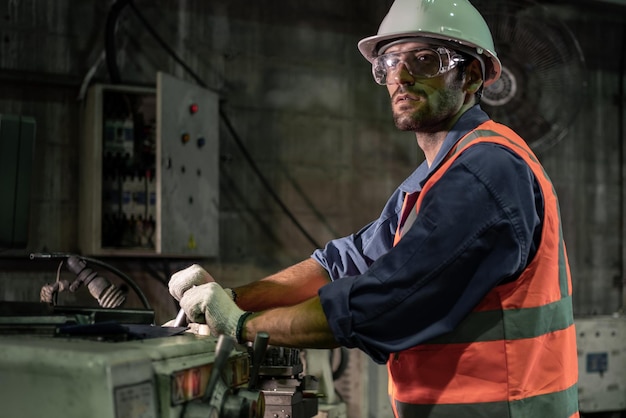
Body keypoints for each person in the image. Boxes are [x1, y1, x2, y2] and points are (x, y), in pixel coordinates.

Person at [167, 0, 579, 416]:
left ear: (471, 75)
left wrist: (242, 326)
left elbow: (388, 301)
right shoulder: (435, 177)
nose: (400, 77)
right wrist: (229, 299)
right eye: (389, 62)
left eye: (424, 60)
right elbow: (344, 262)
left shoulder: (485, 173)